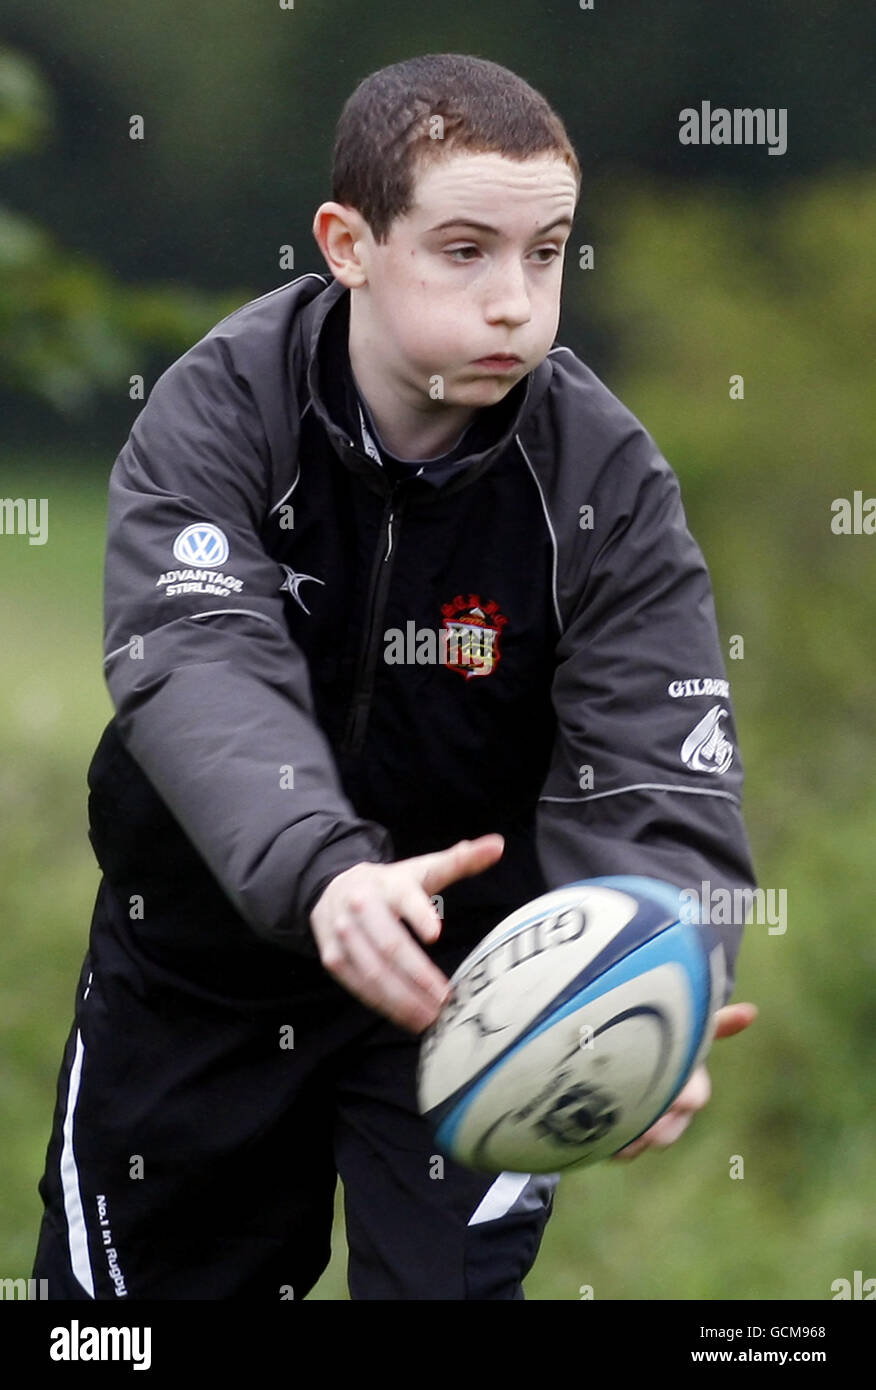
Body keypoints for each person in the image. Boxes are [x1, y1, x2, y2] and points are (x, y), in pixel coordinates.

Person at [33, 52, 757, 1301]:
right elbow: (198, 661)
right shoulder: (219, 410)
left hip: (472, 989)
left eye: (547, 254)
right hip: (204, 961)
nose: (516, 306)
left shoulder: (606, 479)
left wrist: (669, 975)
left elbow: (656, 763)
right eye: (465, 250)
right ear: (348, 243)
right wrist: (327, 873)